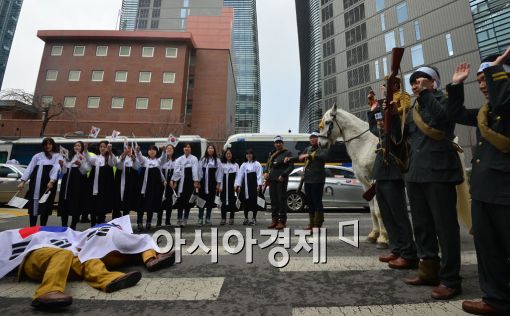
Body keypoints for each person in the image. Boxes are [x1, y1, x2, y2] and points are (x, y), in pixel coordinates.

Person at [446, 47, 510, 315]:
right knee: (488, 250)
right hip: (484, 192)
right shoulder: (485, 113)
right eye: (480, 80)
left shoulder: (504, 106)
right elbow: (456, 114)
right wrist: (456, 86)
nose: (482, 85)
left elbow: (505, 103)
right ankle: (495, 299)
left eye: (488, 79)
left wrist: (495, 68)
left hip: (505, 193)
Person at [403, 66, 464, 300]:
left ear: (434, 81)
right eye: (414, 82)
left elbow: (442, 119)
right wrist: (382, 115)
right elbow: (402, 136)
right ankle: (428, 270)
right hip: (416, 173)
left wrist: (427, 95)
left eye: (421, 80)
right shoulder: (413, 107)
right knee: (422, 224)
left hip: (439, 172)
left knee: (445, 227)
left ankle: (450, 279)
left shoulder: (445, 98)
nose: (416, 84)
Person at [367, 100, 418, 269]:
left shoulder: (396, 131)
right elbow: (373, 128)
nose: (380, 122)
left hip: (393, 177)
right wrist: (372, 112)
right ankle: (396, 249)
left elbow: (395, 126)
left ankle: (409, 253)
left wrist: (394, 115)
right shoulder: (381, 133)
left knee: (399, 217)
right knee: (388, 216)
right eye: (378, 119)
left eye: (382, 119)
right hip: (381, 177)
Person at [286, 132, 328, 229]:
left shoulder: (323, 148)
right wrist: (289, 159)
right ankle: (311, 223)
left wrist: (308, 156)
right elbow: (300, 157)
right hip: (308, 179)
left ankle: (317, 224)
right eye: (311, 138)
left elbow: (323, 157)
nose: (313, 139)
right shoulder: (308, 149)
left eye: (315, 137)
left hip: (318, 180)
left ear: (319, 139)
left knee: (317, 201)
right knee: (310, 202)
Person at [18, 138, 60, 227]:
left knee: (45, 206)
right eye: (46, 144)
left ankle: (42, 228)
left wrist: (52, 181)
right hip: (35, 184)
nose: (48, 146)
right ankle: (32, 228)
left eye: (50, 144)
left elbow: (56, 169)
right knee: (34, 206)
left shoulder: (57, 156)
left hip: (48, 184)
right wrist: (22, 181)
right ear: (43, 146)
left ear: (53, 145)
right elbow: (29, 168)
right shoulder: (37, 156)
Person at [58, 141, 90, 230]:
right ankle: (64, 226)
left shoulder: (84, 157)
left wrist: (80, 165)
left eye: (79, 146)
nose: (77, 147)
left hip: (78, 183)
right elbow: (64, 171)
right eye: (75, 145)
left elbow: (85, 171)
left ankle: (73, 226)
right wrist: (61, 165)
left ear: (82, 148)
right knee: (65, 204)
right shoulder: (68, 156)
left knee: (76, 204)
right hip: (67, 183)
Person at [84, 141, 117, 227]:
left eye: (104, 147)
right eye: (101, 147)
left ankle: (101, 224)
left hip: (105, 187)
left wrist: (110, 152)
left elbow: (114, 162)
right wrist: (85, 149)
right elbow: (88, 159)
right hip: (95, 185)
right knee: (93, 205)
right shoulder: (96, 157)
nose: (102, 148)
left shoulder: (109, 158)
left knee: (103, 206)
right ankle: (93, 224)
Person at [265, 136, 294, 230]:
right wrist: (265, 172)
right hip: (272, 179)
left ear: (282, 143)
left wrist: (284, 175)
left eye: (280, 142)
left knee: (281, 200)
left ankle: (282, 221)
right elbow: (268, 165)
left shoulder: (287, 153)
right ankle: (274, 220)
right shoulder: (271, 153)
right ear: (274, 144)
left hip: (281, 179)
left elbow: (291, 167)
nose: (278, 144)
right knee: (273, 201)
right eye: (276, 142)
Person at [136, 145, 166, 232]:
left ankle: (148, 222)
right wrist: (138, 151)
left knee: (151, 205)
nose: (152, 151)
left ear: (156, 152)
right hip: (143, 186)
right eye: (150, 150)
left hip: (153, 187)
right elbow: (140, 158)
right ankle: (139, 222)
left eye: (154, 150)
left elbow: (163, 159)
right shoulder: (145, 160)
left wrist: (164, 151)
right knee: (141, 205)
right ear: (148, 151)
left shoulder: (158, 161)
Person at [171, 143, 200, 227]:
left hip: (189, 182)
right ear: (183, 149)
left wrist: (196, 181)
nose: (186, 148)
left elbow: (195, 170)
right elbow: (176, 171)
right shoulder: (179, 159)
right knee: (180, 202)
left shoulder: (194, 158)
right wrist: (174, 181)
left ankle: (185, 219)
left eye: (188, 147)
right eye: (185, 147)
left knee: (188, 201)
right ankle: (179, 219)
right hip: (181, 182)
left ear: (191, 149)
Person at [235, 149, 263, 226]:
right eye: (247, 154)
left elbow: (259, 175)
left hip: (253, 185)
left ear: (253, 155)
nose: (249, 155)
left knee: (254, 202)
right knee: (245, 202)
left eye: (250, 154)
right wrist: (239, 185)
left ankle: (254, 218)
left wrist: (259, 185)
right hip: (245, 186)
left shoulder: (257, 164)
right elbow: (240, 176)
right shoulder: (243, 165)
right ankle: (246, 218)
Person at [197, 145, 223, 226]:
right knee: (201, 201)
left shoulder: (217, 161)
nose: (210, 150)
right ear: (207, 150)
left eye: (212, 148)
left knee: (210, 201)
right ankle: (200, 218)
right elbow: (199, 171)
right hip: (203, 183)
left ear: (214, 150)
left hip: (212, 183)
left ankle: (208, 218)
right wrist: (198, 182)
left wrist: (218, 184)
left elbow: (219, 173)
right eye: (209, 148)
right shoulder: (203, 160)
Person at [113, 144, 140, 219]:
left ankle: (125, 220)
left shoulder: (134, 158)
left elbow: (137, 167)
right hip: (120, 182)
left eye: (129, 148)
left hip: (130, 182)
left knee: (127, 201)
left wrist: (134, 159)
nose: (127, 150)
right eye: (126, 148)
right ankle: (116, 219)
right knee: (118, 201)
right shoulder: (120, 157)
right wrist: (122, 158)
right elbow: (118, 166)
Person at [220, 148, 239, 225]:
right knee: (223, 202)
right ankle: (223, 218)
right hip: (224, 185)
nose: (228, 155)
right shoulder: (222, 164)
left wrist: (236, 185)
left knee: (232, 201)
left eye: (230, 154)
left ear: (232, 155)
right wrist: (220, 186)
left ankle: (231, 218)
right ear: (225, 155)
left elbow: (238, 176)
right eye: (227, 154)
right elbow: (219, 176)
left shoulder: (236, 165)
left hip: (232, 186)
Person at [159, 144, 176, 227]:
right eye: (167, 149)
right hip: (162, 183)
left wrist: (174, 181)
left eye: (171, 149)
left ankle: (167, 221)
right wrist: (162, 180)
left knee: (169, 202)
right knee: (161, 202)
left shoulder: (175, 161)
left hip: (170, 183)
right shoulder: (161, 160)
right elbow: (158, 170)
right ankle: (159, 221)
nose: (169, 150)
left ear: (173, 151)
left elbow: (177, 172)